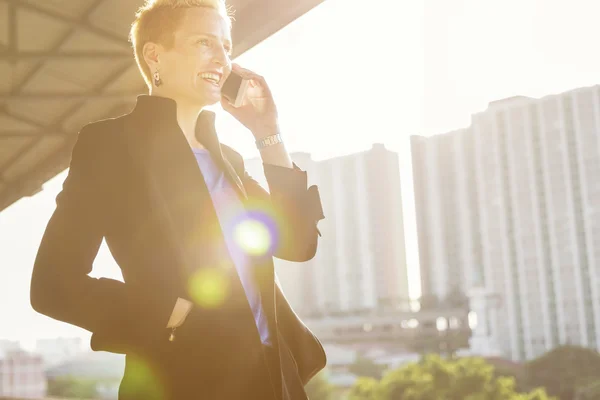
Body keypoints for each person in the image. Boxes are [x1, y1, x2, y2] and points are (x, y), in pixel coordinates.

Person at [29, 0, 326, 398]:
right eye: (205, 42)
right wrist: (170, 314)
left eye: (226, 45)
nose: (221, 58)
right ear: (154, 55)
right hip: (183, 380)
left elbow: (298, 244)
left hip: (273, 381)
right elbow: (53, 285)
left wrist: (268, 133)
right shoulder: (112, 145)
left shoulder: (229, 158)